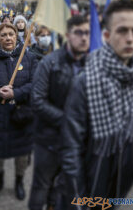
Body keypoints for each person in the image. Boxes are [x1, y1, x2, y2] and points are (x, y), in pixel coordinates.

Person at [61, 0, 133, 206]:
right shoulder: (85, 82)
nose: (130, 38)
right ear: (107, 35)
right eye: (122, 31)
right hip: (89, 183)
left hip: (120, 181)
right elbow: (71, 149)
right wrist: (80, 200)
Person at [28, 16, 89, 210]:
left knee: (67, 187)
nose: (84, 38)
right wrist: (67, 120)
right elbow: (37, 100)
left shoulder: (93, 64)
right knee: (41, 186)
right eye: (79, 33)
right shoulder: (49, 63)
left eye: (87, 33)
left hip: (76, 143)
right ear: (68, 35)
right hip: (48, 141)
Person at [0, 22, 37, 201]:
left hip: (21, 116)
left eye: (10, 34)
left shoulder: (29, 58)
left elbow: (36, 85)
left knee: (21, 155)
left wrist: (16, 93)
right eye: (3, 35)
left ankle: (19, 182)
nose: (7, 38)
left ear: (16, 36)